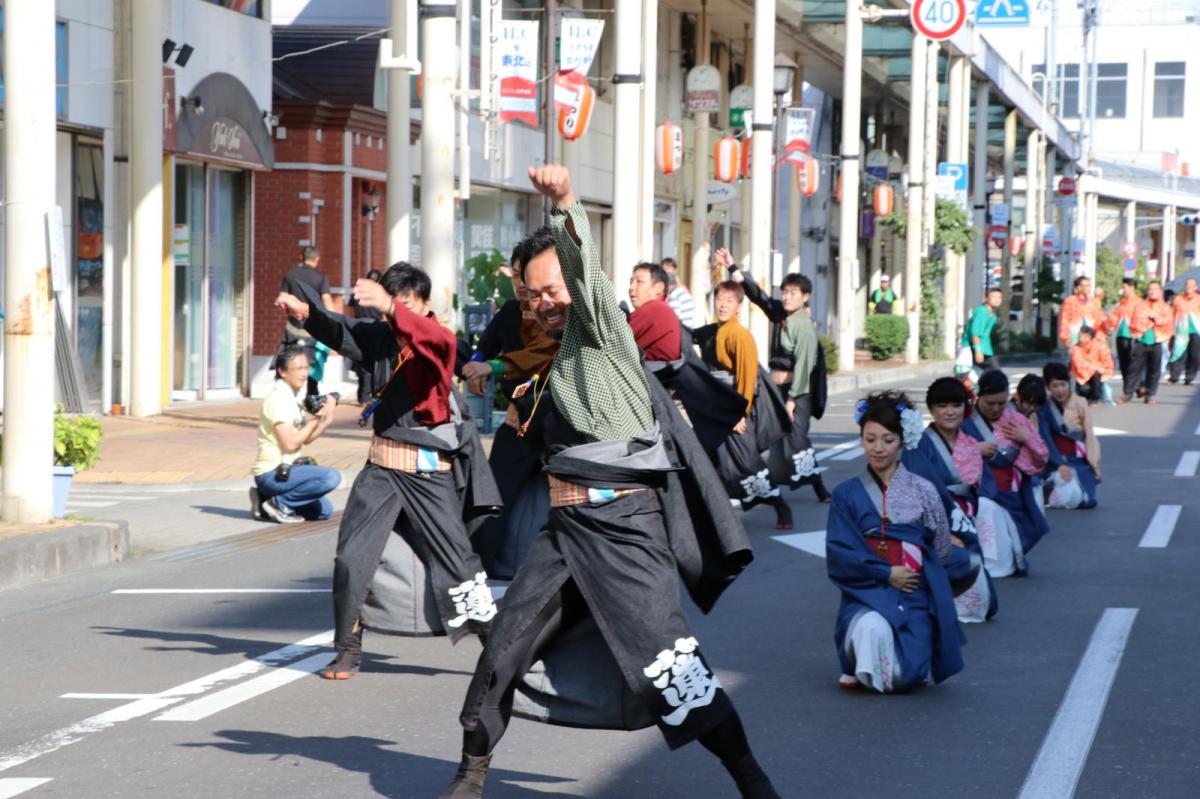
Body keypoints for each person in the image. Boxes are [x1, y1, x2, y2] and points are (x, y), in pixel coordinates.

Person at [443, 165, 778, 799]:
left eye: (550, 289)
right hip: (564, 533)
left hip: (626, 529)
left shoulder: (600, 329)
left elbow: (586, 275)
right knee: (501, 654)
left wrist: (566, 203)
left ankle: (752, 781)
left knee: (673, 671)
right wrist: (491, 373)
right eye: (530, 295)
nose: (542, 302)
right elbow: (512, 373)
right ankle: (470, 774)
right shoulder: (542, 357)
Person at [275, 263, 501, 681]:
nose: (396, 313)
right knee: (352, 558)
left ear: (426, 305)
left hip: (429, 470)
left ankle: (500, 652)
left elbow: (437, 341)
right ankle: (347, 647)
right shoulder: (381, 336)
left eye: (406, 304)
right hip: (381, 466)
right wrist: (306, 312)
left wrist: (392, 308)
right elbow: (343, 331)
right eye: (391, 305)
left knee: (459, 562)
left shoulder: (438, 338)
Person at [825, 391, 966, 693]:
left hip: (913, 592)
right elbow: (840, 551)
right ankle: (855, 661)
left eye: (888, 440)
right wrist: (887, 573)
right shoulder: (845, 493)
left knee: (905, 677)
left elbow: (941, 547)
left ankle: (896, 656)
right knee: (870, 627)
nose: (878, 449)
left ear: (903, 441)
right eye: (870, 439)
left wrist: (920, 575)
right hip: (866, 590)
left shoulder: (924, 490)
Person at [461, 237, 561, 579]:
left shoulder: (554, 316)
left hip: (552, 418)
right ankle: (484, 562)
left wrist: (494, 367)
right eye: (517, 275)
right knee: (495, 491)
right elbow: (484, 346)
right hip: (518, 417)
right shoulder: (509, 311)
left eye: (527, 275)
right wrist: (475, 366)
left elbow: (541, 354)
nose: (521, 283)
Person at [718, 247, 830, 502]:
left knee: (797, 442)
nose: (787, 297)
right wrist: (733, 267)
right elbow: (759, 297)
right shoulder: (781, 313)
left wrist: (791, 401)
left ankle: (819, 488)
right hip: (775, 389)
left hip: (796, 394)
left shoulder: (804, 327)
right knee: (767, 435)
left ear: (805, 296)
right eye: (785, 292)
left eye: (793, 293)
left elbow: (804, 367)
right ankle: (760, 484)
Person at [693, 280, 795, 529]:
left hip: (735, 411)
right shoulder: (713, 331)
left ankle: (781, 507)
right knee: (707, 461)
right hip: (716, 409)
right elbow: (689, 336)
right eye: (720, 299)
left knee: (747, 465)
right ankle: (710, 516)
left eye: (730, 300)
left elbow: (747, 378)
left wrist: (741, 413)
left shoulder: (740, 336)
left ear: (739, 306)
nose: (723, 304)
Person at [915, 378, 1014, 622]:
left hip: (966, 515)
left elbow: (982, 483)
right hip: (938, 516)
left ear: (965, 407)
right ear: (931, 409)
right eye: (942, 405)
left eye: (956, 405)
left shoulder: (969, 442)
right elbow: (920, 491)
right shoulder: (920, 444)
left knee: (983, 603)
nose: (950, 412)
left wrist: (980, 506)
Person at [963, 370, 1049, 559]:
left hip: (1009, 492)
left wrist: (1027, 438)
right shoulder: (964, 419)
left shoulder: (1016, 420)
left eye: (1001, 403)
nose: (996, 409)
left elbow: (1041, 457)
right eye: (990, 403)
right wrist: (974, 448)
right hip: (976, 492)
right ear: (979, 396)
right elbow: (947, 453)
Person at [250, 346, 342, 523]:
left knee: (324, 511)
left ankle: (264, 499)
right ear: (282, 371)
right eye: (299, 368)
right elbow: (290, 444)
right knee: (330, 477)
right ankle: (278, 503)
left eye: (306, 368)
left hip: (287, 471)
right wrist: (314, 420)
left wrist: (325, 419)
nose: (304, 373)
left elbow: (306, 439)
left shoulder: (292, 398)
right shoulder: (278, 399)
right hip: (272, 472)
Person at [1039, 362, 1100, 510]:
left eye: (1063, 384)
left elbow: (1089, 436)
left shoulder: (1080, 403)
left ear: (1069, 383)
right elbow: (1045, 438)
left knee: (1087, 501)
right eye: (1055, 386)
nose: (1060, 390)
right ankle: (1051, 484)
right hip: (1054, 460)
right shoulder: (1044, 408)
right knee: (1071, 496)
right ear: (1048, 387)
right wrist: (1059, 464)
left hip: (1078, 460)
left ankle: (1056, 489)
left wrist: (1095, 465)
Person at [279, 246, 334, 398]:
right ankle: (312, 397)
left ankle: (289, 397)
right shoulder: (320, 277)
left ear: (300, 257)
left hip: (293, 328)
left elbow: (282, 298)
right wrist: (334, 322)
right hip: (313, 330)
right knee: (312, 364)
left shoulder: (290, 275)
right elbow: (327, 300)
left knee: (290, 360)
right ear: (317, 260)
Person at [1124, 280, 1174, 405]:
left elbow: (1168, 323)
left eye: (1155, 289)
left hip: (1157, 341)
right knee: (1134, 368)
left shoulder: (1165, 307)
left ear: (1160, 291)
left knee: (1154, 370)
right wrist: (1143, 325)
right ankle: (1128, 393)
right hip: (1141, 339)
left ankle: (1150, 394)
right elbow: (1134, 321)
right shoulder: (1141, 305)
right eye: (1150, 289)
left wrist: (1156, 319)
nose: (1152, 291)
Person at [627, 261, 683, 362]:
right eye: (631, 282)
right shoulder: (662, 309)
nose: (631, 288)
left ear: (659, 288)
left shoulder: (655, 309)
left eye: (639, 282)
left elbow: (614, 340)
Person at [1104, 278, 1142, 398]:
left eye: (1124, 287)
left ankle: (1130, 389)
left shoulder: (1139, 302)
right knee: (1124, 364)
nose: (1123, 290)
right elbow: (1115, 318)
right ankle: (1133, 386)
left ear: (1132, 287)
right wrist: (1110, 317)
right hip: (1121, 335)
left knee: (1132, 364)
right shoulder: (1122, 303)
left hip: (1133, 336)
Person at [961, 287, 1003, 371]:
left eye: (999, 297)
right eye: (993, 297)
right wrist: (978, 350)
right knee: (996, 373)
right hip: (972, 348)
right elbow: (975, 333)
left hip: (985, 349)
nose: (997, 300)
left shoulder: (993, 315)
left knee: (991, 374)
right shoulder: (981, 311)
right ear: (987, 298)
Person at [1069, 326, 1114, 404]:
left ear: (1089, 337)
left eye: (1082, 336)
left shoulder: (1101, 346)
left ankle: (1095, 398)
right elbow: (1078, 363)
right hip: (1082, 376)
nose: (1080, 339)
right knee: (1084, 390)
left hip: (1097, 375)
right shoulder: (1076, 348)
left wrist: (1098, 368)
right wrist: (1093, 367)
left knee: (1096, 374)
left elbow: (1107, 363)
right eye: (1079, 336)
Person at [1168, 277, 1200, 385]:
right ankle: (1174, 376)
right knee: (1178, 353)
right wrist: (1171, 329)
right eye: (1187, 285)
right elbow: (1172, 314)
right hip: (1181, 330)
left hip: (1196, 331)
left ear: (1196, 287)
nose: (1189, 287)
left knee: (1194, 355)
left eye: (1192, 285)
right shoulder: (1178, 299)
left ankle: (1189, 377)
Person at [1059, 276, 1103, 348]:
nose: (1088, 288)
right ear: (1079, 287)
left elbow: (1098, 319)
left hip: (1091, 337)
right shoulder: (1070, 301)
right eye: (1086, 285)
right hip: (1075, 336)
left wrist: (1099, 336)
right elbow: (1065, 319)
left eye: (1089, 285)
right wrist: (1065, 337)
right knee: (1076, 357)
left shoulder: (1094, 301)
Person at [661, 256, 695, 327]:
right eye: (664, 268)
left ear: (675, 269)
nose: (666, 271)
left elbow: (672, 318)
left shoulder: (676, 291)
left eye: (669, 267)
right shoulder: (677, 290)